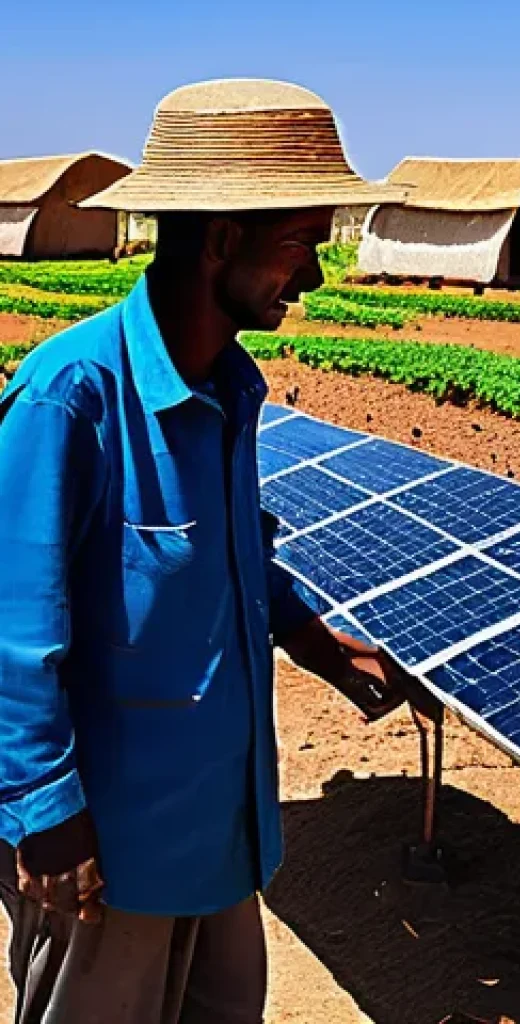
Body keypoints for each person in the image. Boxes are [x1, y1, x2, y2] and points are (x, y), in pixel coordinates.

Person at [0, 79, 421, 1023]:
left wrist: (317, 643)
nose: (310, 277)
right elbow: (11, 627)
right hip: (108, 850)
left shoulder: (230, 390)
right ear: (223, 239)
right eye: (297, 245)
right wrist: (42, 812)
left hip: (219, 831)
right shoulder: (71, 398)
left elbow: (228, 567)